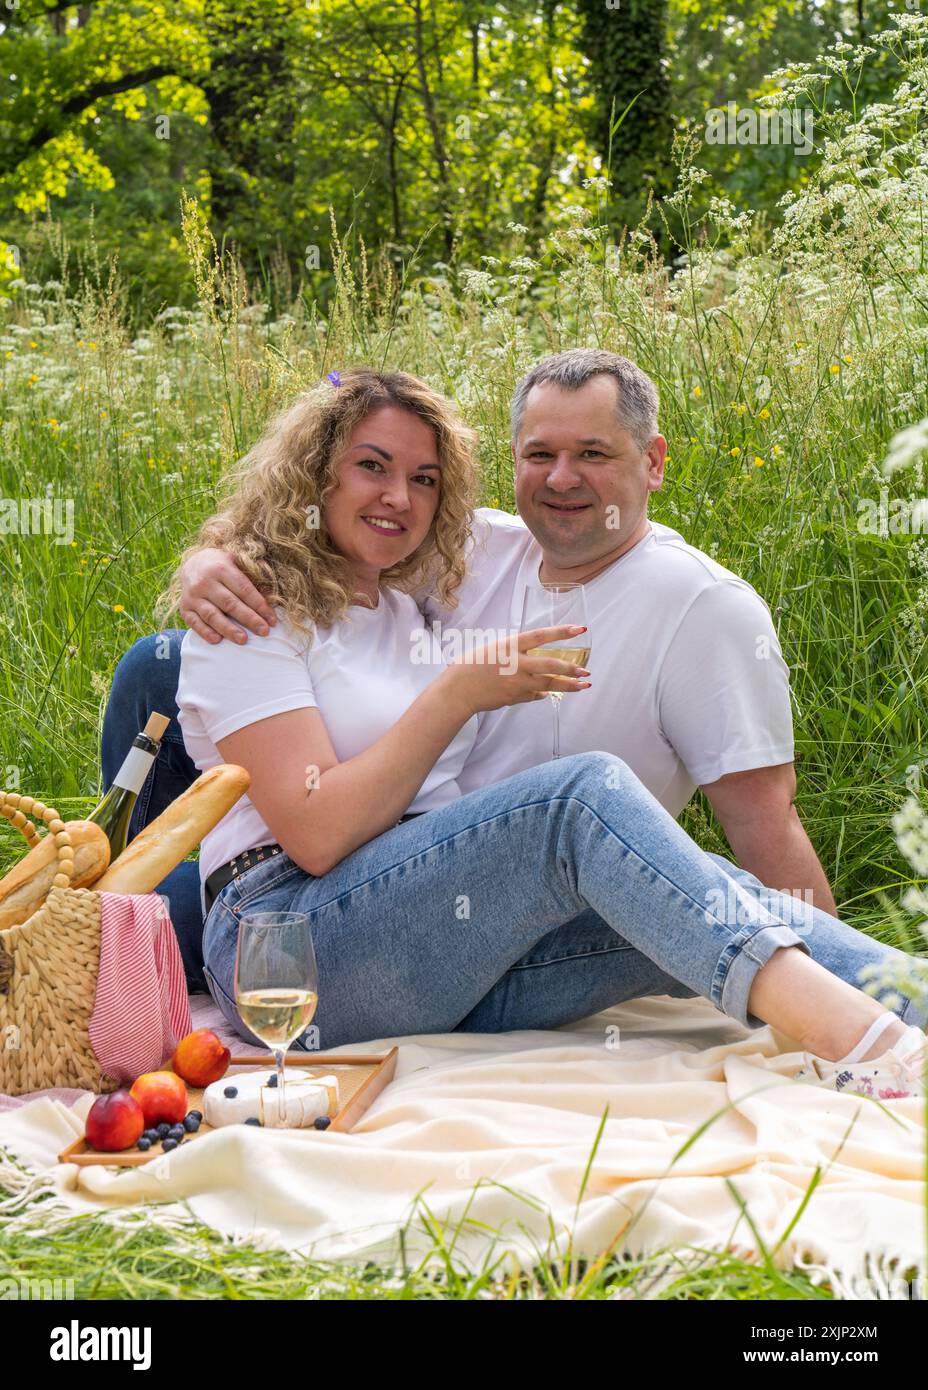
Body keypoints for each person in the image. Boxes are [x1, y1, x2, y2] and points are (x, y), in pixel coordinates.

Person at [102, 367, 927, 1100]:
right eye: (371, 467)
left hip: (439, 947)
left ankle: (912, 1009)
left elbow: (763, 818)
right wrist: (457, 689)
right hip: (294, 939)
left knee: (704, 889)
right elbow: (316, 837)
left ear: (652, 462)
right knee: (581, 795)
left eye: (424, 478)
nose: (399, 497)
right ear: (313, 476)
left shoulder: (418, 594)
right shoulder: (250, 613)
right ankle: (866, 1044)